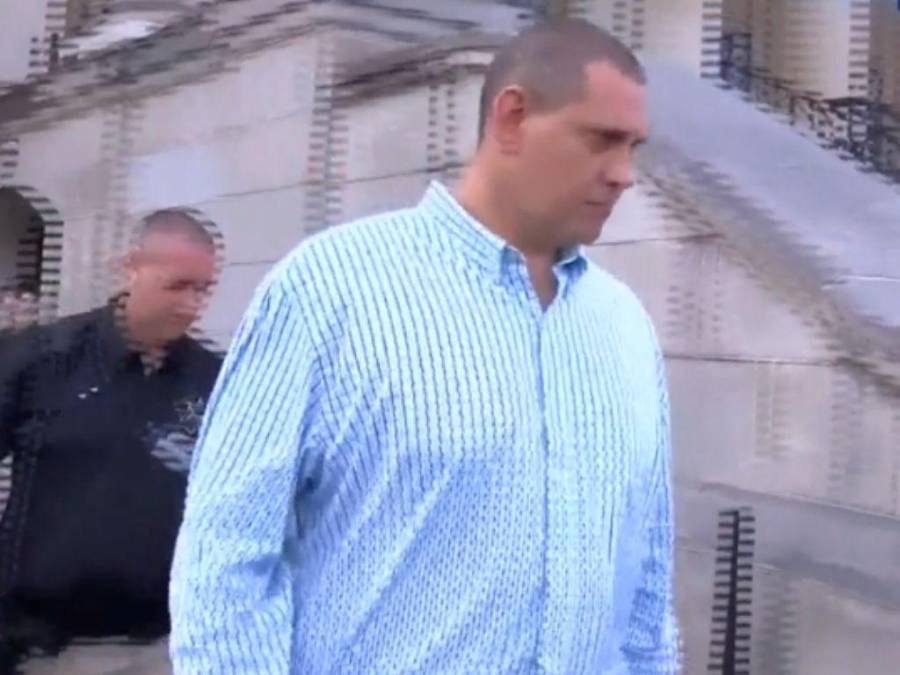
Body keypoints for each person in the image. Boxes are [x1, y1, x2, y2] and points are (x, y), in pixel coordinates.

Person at [171, 18, 679, 675]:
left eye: (634, 146)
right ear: (513, 118)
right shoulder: (330, 288)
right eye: (602, 140)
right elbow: (227, 561)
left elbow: (646, 586)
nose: (625, 174)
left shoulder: (624, 327)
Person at [0, 210, 223, 675]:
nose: (192, 304)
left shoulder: (213, 381)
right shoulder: (41, 360)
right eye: (178, 286)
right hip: (42, 649)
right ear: (130, 269)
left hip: (165, 647)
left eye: (203, 290)